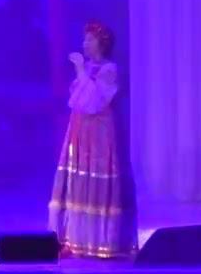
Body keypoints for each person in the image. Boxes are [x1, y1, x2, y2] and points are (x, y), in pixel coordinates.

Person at [48, 21, 137, 258]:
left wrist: (80, 71)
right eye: (85, 39)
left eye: (89, 39)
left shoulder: (109, 70)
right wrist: (82, 71)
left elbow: (95, 102)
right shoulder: (88, 68)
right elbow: (77, 100)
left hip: (100, 135)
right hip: (81, 132)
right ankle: (75, 238)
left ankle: (102, 240)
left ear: (101, 43)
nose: (85, 43)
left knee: (98, 181)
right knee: (78, 181)